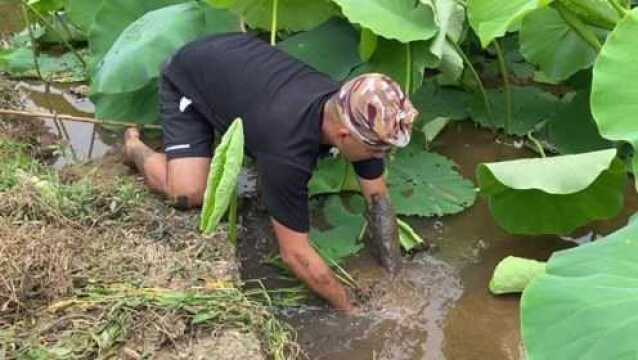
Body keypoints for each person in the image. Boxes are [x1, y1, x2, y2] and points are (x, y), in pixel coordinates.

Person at [123, 32, 418, 312]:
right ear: (343, 136)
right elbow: (295, 255)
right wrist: (350, 309)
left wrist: (393, 273)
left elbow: (378, 199)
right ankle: (135, 148)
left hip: (240, 66)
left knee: (266, 155)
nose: (381, 157)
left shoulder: (350, 111)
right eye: (376, 151)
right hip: (189, 72)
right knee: (188, 193)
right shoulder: (287, 149)